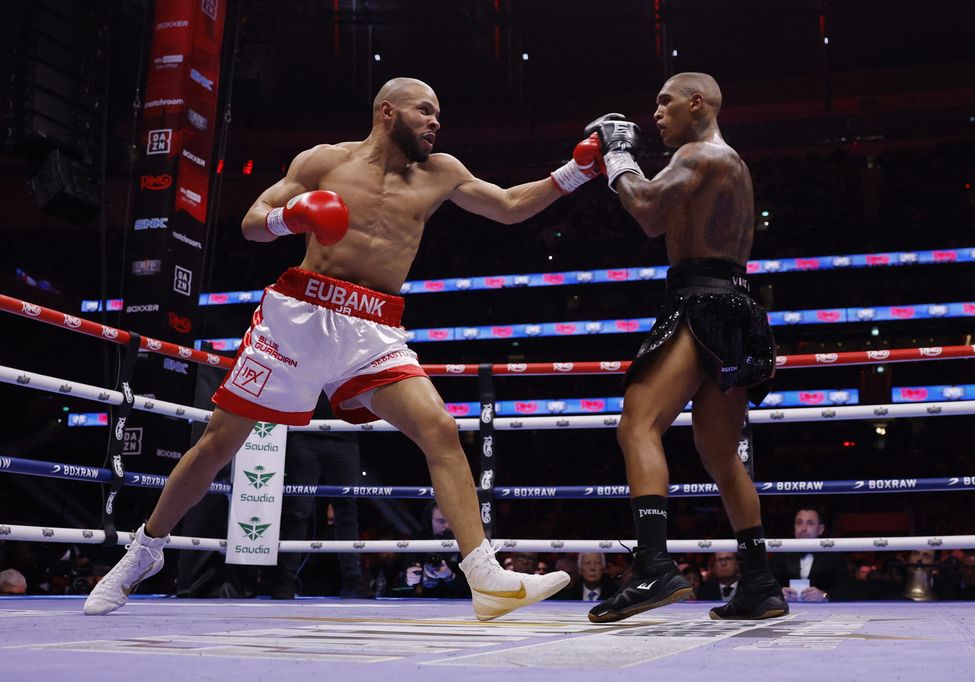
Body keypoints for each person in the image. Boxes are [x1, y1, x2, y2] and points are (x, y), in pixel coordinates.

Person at [84, 77, 593, 619]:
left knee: (440, 428)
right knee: (217, 444)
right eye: (425, 110)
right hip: (298, 317)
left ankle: (484, 575)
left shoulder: (441, 172)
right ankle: (145, 552)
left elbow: (511, 206)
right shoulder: (324, 161)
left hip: (373, 326)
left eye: (438, 114)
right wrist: (294, 217)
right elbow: (253, 223)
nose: (435, 121)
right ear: (387, 111)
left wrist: (579, 170)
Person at [583, 72, 788, 623]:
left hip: (702, 300)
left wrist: (618, 156)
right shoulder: (730, 163)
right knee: (720, 452)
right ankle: (760, 582)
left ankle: (654, 566)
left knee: (637, 423)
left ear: (697, 103)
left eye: (665, 101)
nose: (656, 112)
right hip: (738, 302)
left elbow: (647, 210)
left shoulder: (700, 155)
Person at [272, 398, 364, 599]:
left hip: (345, 436)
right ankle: (285, 581)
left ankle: (353, 580)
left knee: (347, 511)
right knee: (297, 511)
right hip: (305, 434)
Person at [387, 502, 470, 599]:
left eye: (451, 520)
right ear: (430, 520)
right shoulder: (418, 541)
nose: (447, 525)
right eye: (441, 521)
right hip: (423, 603)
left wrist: (450, 577)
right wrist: (409, 581)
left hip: (459, 603)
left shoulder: (468, 543)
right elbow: (395, 587)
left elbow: (477, 590)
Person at [769, 506, 850, 602]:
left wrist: (824, 595)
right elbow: (768, 584)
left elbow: (846, 588)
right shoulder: (781, 553)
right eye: (799, 523)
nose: (803, 528)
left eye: (810, 523)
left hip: (824, 611)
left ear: (820, 529)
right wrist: (779, 594)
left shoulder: (833, 556)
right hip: (788, 610)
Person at [553, 553, 618, 602]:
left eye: (597, 563)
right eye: (587, 563)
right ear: (580, 570)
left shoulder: (616, 594)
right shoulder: (567, 596)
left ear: (603, 569)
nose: (592, 568)